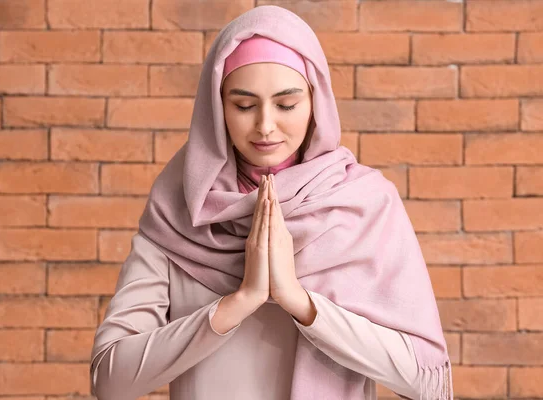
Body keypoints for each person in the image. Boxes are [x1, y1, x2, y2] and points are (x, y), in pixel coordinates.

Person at [90, 5, 452, 400]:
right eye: (244, 105)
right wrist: (238, 302)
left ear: (316, 103)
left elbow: (429, 383)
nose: (265, 125)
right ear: (217, 107)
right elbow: (110, 382)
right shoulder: (177, 211)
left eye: (286, 104)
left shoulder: (365, 205)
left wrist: (299, 302)